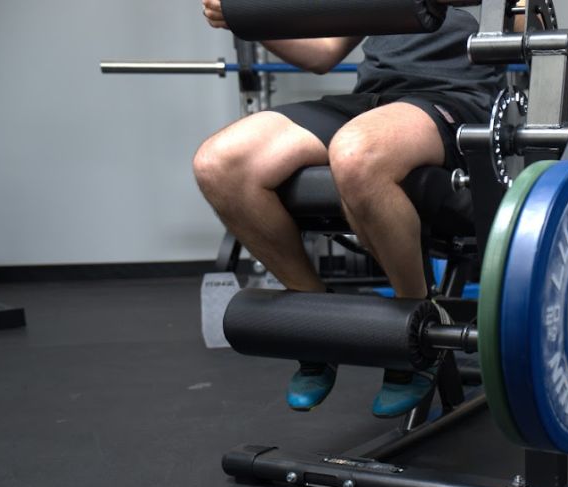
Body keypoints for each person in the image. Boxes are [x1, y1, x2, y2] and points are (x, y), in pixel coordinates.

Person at [195, 0, 506, 417]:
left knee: (356, 155)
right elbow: (323, 53)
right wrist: (242, 19)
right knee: (221, 165)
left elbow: (523, 28)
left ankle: (417, 334)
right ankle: (316, 327)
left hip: (453, 101)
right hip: (372, 104)